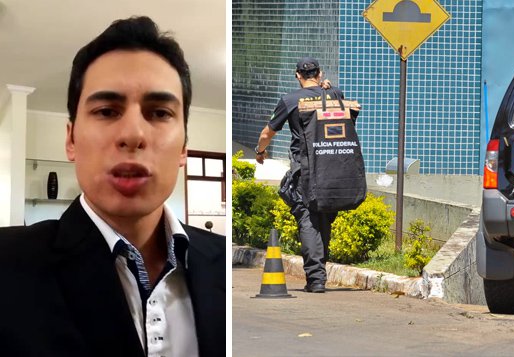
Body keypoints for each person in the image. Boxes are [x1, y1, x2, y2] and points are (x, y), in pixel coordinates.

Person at [0, 17, 225, 356]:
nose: (132, 134)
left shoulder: (221, 261)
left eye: (160, 113)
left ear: (183, 148)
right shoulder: (8, 269)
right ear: (71, 139)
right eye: (106, 111)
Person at [255, 57, 347, 293]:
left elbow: (268, 133)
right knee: (324, 217)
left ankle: (316, 279)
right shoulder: (335, 94)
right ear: (320, 73)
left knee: (307, 217)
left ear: (298, 75)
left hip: (304, 167)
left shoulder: (290, 100)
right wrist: (329, 89)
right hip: (332, 165)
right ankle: (319, 272)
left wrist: (260, 151)